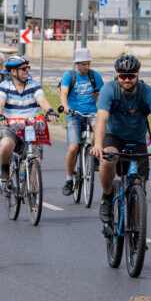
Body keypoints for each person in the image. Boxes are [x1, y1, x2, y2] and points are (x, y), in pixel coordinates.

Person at [90, 54, 151, 224]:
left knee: (139, 189)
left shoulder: (148, 92)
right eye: (123, 76)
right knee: (108, 159)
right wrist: (98, 145)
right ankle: (107, 196)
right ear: (117, 75)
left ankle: (137, 237)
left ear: (137, 74)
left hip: (137, 140)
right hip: (113, 136)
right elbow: (101, 119)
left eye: (131, 76)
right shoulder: (109, 90)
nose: (127, 80)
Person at [0, 55, 58, 181]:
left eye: (28, 67)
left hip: (31, 127)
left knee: (36, 161)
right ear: (13, 72)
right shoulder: (4, 86)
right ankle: (5, 166)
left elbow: (42, 100)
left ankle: (33, 195)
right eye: (23, 68)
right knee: (6, 144)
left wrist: (50, 110)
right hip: (9, 127)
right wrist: (0, 115)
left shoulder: (33, 85)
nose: (27, 70)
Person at [60, 48, 104, 196]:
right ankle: (68, 179)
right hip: (74, 114)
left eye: (88, 64)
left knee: (98, 127)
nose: (87, 67)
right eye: (84, 64)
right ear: (77, 63)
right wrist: (65, 107)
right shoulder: (69, 75)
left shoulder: (94, 75)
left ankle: (94, 155)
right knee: (73, 148)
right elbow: (64, 93)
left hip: (92, 112)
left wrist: (98, 96)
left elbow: (103, 96)